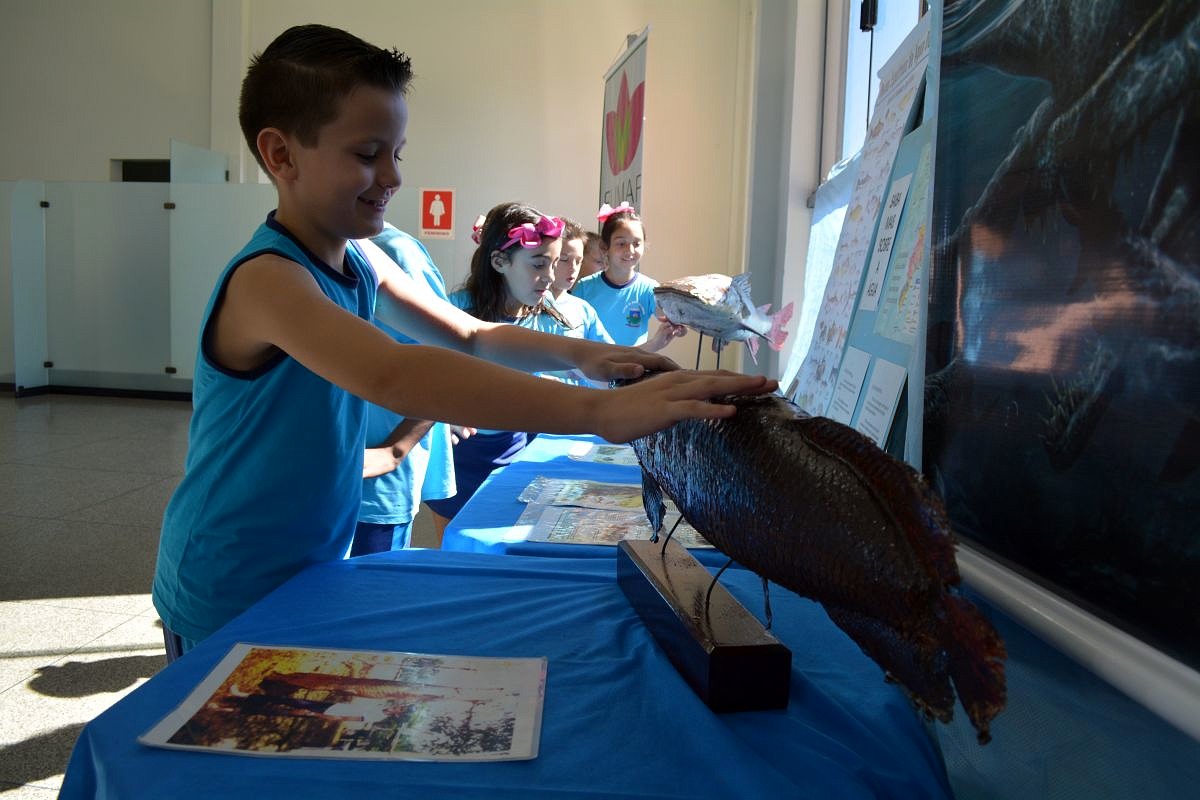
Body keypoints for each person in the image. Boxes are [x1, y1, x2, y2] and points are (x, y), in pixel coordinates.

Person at [151, 24, 774, 660]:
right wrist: (598, 411)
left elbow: (470, 335)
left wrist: (586, 355)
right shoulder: (269, 281)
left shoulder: (361, 259)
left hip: (302, 570)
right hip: (227, 585)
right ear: (280, 155)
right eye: (368, 154)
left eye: (397, 153)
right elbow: (394, 373)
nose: (391, 175)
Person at [424, 201, 574, 529]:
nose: (549, 277)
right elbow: (426, 378)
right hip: (461, 458)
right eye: (538, 264)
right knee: (456, 555)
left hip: (516, 454)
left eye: (553, 264)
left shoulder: (548, 318)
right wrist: (441, 416)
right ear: (499, 261)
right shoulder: (455, 312)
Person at [349, 223, 458, 556]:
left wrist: (396, 449)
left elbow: (446, 361)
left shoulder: (395, 253)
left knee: (368, 595)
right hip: (318, 479)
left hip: (374, 485)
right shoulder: (297, 255)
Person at [571, 202, 685, 350]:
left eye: (637, 243)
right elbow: (572, 337)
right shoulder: (584, 288)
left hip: (634, 369)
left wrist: (678, 325)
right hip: (593, 370)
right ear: (605, 247)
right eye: (621, 244)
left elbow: (676, 321)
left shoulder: (650, 289)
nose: (630, 250)